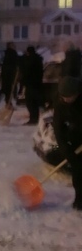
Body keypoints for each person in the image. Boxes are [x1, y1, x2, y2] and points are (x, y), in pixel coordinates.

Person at [53, 76, 82, 210]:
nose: (66, 100)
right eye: (63, 97)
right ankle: (80, 199)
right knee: (78, 170)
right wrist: (66, 149)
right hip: (75, 137)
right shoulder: (60, 103)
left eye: (69, 97)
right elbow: (58, 128)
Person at [20, 46, 43, 125]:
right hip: (37, 84)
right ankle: (34, 118)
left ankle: (33, 119)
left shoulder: (31, 60)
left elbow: (26, 70)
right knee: (34, 103)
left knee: (30, 103)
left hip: (31, 84)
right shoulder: (38, 59)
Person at [0, 42, 18, 110]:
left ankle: (7, 104)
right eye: (13, 45)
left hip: (5, 74)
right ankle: (1, 103)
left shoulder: (5, 53)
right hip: (10, 74)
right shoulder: (12, 53)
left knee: (5, 89)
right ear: (10, 46)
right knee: (7, 89)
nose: (14, 46)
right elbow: (16, 62)